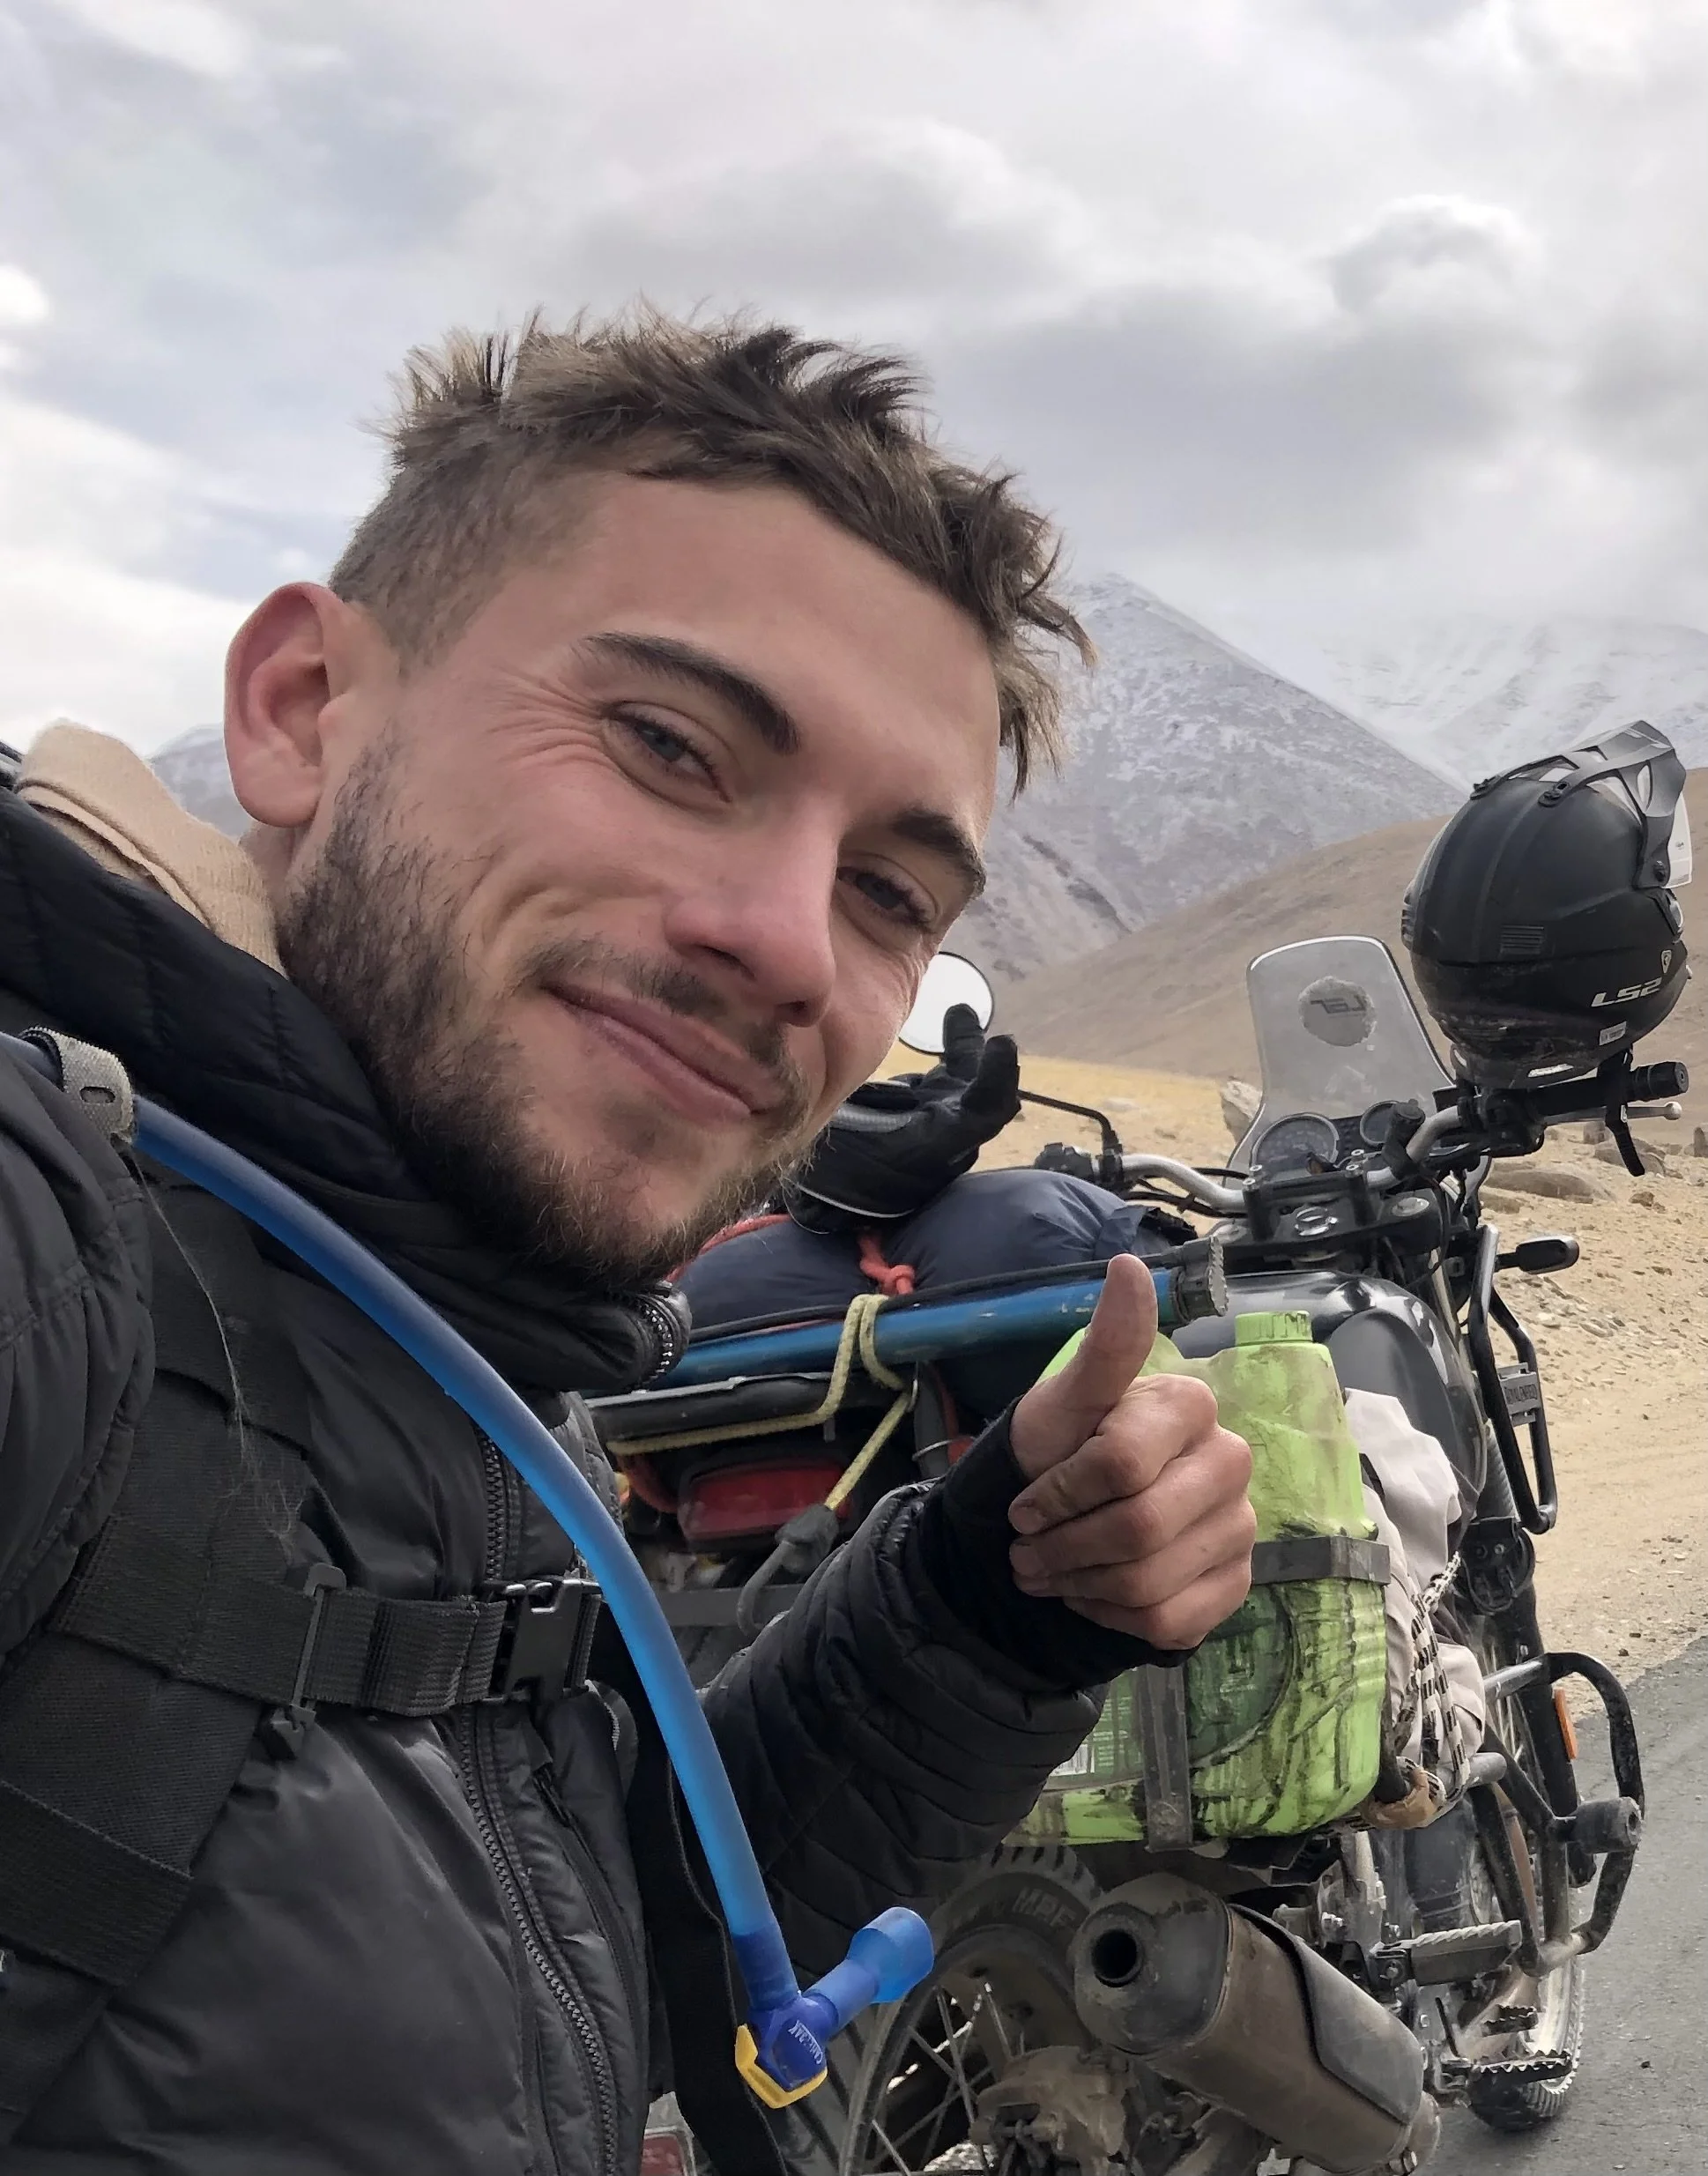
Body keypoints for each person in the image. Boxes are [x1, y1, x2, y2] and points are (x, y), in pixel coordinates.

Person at [0, 311, 1254, 2174]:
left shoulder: (458, 1325)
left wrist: (989, 1605)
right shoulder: (69, 1232)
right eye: (670, 744)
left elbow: (571, 1919)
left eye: (888, 892)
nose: (788, 943)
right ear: (298, 714)